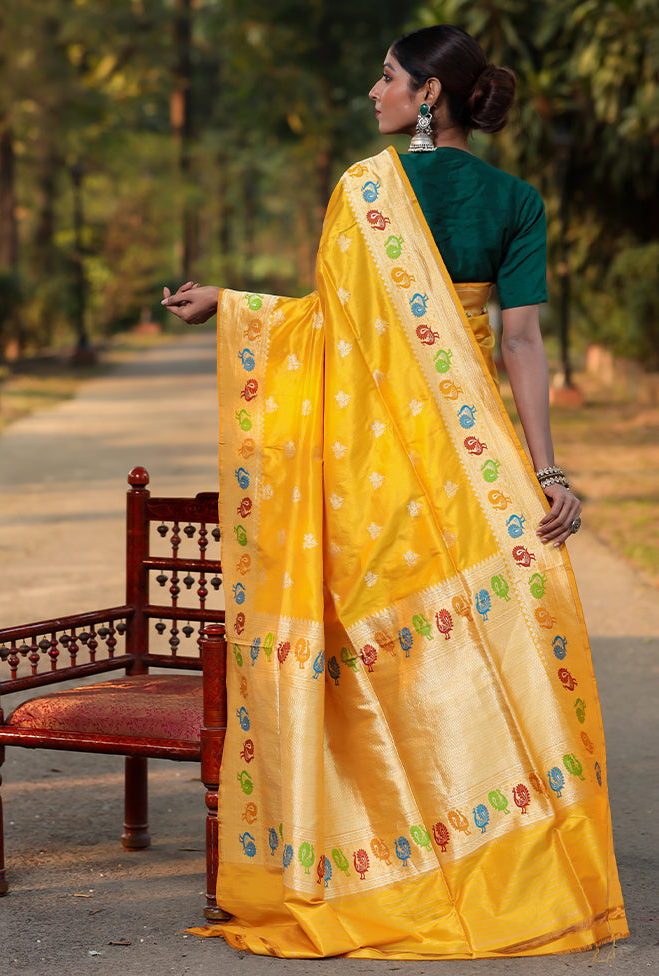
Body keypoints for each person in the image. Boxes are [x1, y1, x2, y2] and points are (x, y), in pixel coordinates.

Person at [162, 24, 627, 959]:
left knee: (387, 662)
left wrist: (237, 305)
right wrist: (545, 472)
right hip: (476, 463)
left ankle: (397, 865)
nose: (372, 93)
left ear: (428, 97)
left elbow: (330, 334)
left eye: (385, 77)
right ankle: (509, 862)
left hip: (373, 478)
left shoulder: (362, 192)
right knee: (503, 642)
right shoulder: (517, 200)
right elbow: (522, 345)